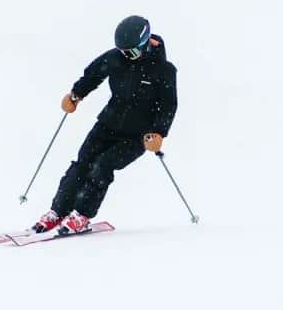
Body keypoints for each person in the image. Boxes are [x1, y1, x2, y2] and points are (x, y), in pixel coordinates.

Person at [31, 15, 178, 235]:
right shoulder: (115, 58)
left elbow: (168, 105)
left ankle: (81, 214)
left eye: (132, 52)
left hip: (138, 136)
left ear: (146, 44)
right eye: (123, 52)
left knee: (103, 165)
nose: (128, 57)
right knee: (83, 162)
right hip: (108, 123)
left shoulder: (163, 69)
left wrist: (158, 132)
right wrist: (76, 94)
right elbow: (93, 74)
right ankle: (58, 211)